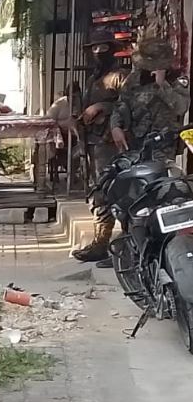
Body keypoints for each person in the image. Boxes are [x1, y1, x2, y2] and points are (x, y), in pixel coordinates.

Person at [73, 29, 129, 263]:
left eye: (103, 48)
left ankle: (125, 245)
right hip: (93, 142)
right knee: (97, 193)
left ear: (112, 50)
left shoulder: (121, 77)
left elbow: (128, 106)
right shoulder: (92, 79)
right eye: (94, 48)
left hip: (112, 144)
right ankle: (101, 243)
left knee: (116, 193)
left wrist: (101, 108)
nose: (98, 52)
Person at [110, 37, 190, 161]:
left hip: (163, 147)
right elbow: (121, 105)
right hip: (135, 145)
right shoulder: (135, 79)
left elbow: (181, 107)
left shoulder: (177, 81)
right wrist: (115, 127)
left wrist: (162, 85)